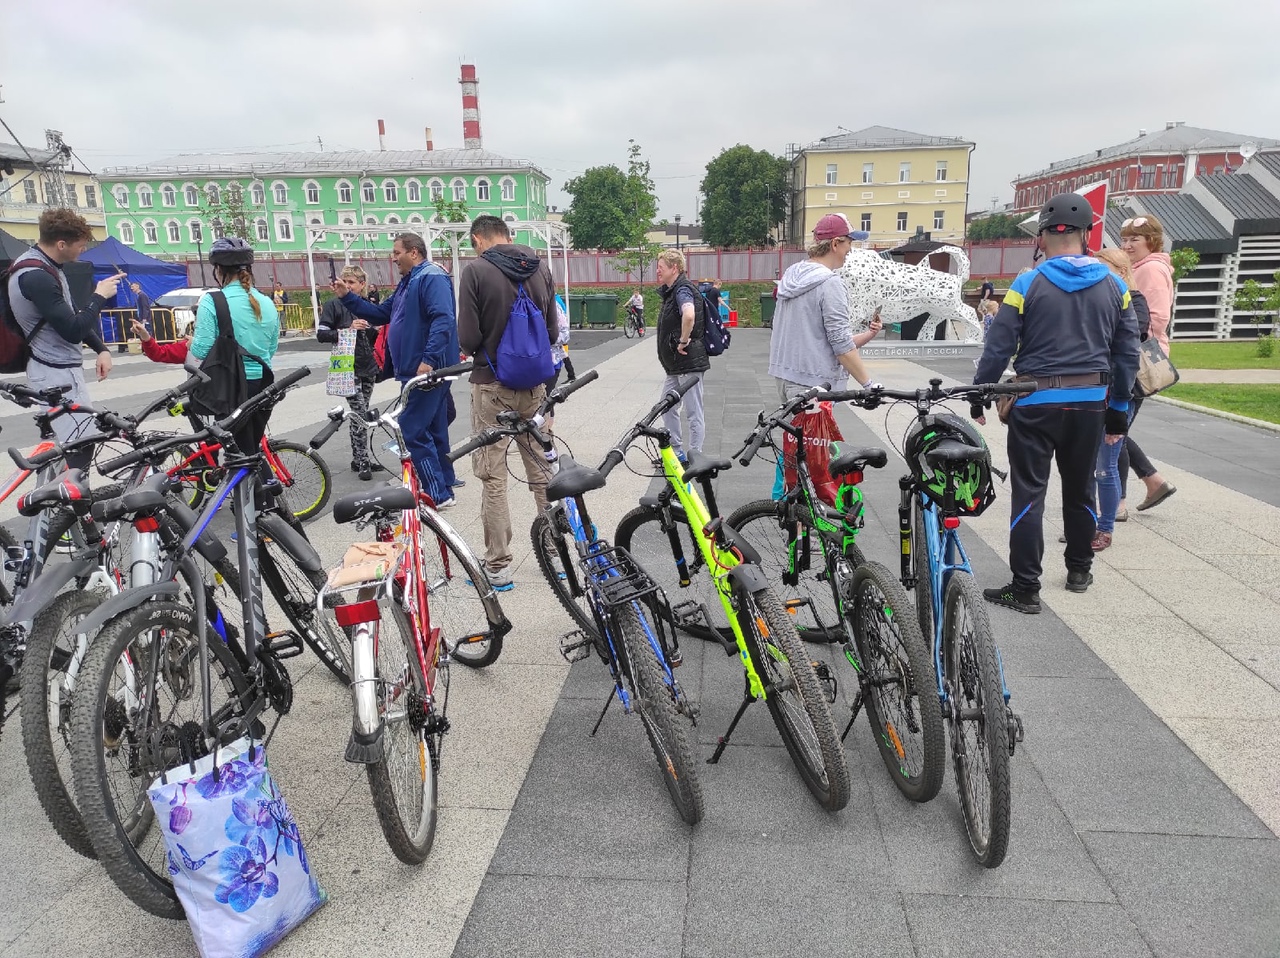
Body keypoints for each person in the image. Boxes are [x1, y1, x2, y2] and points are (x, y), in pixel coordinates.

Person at [973, 193, 1139, 612]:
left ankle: (1026, 588)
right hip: (1090, 404)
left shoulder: (1027, 283)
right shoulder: (1115, 285)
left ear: (1043, 237)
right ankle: (1080, 569)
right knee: (1081, 488)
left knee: (1029, 493)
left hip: (1035, 401)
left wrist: (981, 390)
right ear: (1085, 236)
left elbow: (998, 345)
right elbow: (1127, 354)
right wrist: (1118, 409)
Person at [458, 215, 558, 591]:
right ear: (507, 234)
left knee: (493, 475)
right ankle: (556, 552)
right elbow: (551, 329)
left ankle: (498, 566)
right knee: (542, 468)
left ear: (478, 239)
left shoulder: (476, 271)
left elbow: (468, 337)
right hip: (534, 385)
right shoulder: (539, 267)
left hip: (492, 384)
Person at [332, 232, 459, 508]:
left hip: (426, 370)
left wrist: (429, 359)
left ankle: (438, 493)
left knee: (411, 429)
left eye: (397, 252)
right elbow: (382, 313)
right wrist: (348, 298)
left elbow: (443, 318)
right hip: (420, 369)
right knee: (434, 428)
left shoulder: (430, 277)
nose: (393, 258)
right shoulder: (409, 281)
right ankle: (445, 485)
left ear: (414, 252)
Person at [8, 208, 119, 468]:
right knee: (80, 444)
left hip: (56, 370)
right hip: (54, 373)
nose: (83, 250)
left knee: (68, 446)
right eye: (80, 246)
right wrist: (99, 296)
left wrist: (101, 349)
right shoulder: (36, 276)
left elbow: (65, 318)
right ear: (61, 244)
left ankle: (57, 503)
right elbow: (72, 329)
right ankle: (70, 505)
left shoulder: (45, 267)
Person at [768, 212, 876, 400]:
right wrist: (869, 385)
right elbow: (841, 344)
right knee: (817, 431)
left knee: (795, 430)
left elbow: (820, 338)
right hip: (814, 384)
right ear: (835, 244)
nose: (850, 250)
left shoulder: (792, 274)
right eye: (849, 242)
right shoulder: (830, 283)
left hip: (786, 377)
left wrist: (870, 333)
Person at [191, 238, 280, 458]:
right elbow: (271, 347)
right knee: (249, 448)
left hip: (230, 388)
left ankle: (260, 492)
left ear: (218, 270)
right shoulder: (267, 302)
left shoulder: (213, 301)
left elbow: (201, 350)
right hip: (262, 384)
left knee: (240, 454)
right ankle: (261, 490)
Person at [1089, 248, 1152, 551]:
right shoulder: (1096, 300)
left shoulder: (1135, 301)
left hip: (1122, 391)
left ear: (1121, 270)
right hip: (1092, 389)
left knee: (1106, 462)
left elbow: (1129, 343)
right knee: (1087, 463)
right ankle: (1086, 523)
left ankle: (1105, 527)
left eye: (1103, 269)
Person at [1119, 214, 1177, 514]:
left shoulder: (1151, 270)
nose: (1127, 245)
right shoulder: (1140, 268)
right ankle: (1153, 481)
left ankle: (1118, 500)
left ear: (1151, 241)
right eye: (1125, 239)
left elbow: (1155, 318)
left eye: (1134, 239)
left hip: (1140, 358)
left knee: (1112, 430)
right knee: (1115, 428)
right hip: (1135, 356)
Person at [318, 265, 380, 480]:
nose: (348, 286)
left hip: (367, 366)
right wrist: (348, 329)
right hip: (346, 367)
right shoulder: (333, 305)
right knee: (360, 413)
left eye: (352, 282)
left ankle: (359, 458)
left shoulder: (366, 305)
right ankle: (363, 461)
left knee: (360, 414)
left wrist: (373, 330)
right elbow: (322, 335)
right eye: (345, 282)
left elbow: (373, 337)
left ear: (362, 284)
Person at [654, 248, 710, 463]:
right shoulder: (673, 291)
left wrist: (683, 341)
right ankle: (676, 451)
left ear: (674, 268)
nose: (658, 271)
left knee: (693, 411)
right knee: (666, 406)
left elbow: (689, 315)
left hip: (688, 361)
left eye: (661, 268)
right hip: (676, 365)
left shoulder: (682, 290)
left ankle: (695, 454)